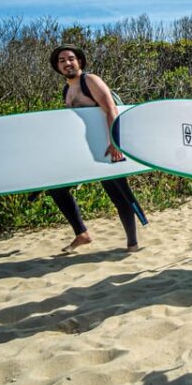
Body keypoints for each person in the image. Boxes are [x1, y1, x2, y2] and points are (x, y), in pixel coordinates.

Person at [47, 44, 141, 253]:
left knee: (118, 193)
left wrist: (115, 142)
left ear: (79, 61)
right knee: (57, 187)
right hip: (86, 150)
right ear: (57, 67)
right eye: (61, 61)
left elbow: (111, 109)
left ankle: (132, 244)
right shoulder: (67, 90)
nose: (67, 63)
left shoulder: (90, 80)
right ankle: (82, 234)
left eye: (70, 58)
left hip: (107, 147)